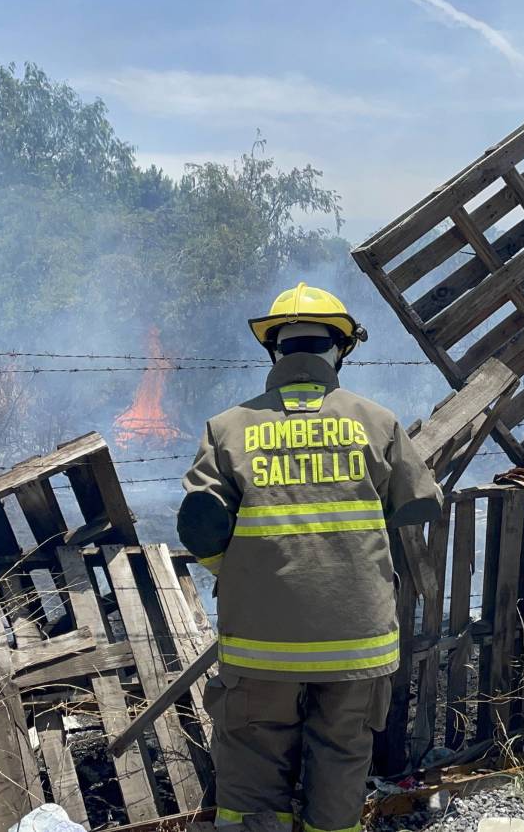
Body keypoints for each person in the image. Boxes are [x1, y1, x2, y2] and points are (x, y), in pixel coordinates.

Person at [177, 282, 443, 832]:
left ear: (274, 350)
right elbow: (422, 503)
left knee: (251, 760)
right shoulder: (378, 422)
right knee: (342, 757)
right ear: (338, 349)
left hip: (260, 643)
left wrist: (235, 574)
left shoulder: (227, 429)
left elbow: (200, 528)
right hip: (356, 641)